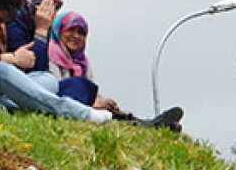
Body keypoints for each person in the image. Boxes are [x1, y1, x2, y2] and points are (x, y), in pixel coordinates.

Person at [48, 10, 185, 130]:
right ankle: (148, 125)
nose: (76, 36)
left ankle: (145, 123)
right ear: (59, 30)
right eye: (70, 30)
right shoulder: (50, 54)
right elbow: (55, 91)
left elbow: (93, 90)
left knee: (112, 111)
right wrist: (91, 103)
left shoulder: (82, 62)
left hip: (85, 106)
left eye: (81, 33)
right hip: (66, 106)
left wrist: (104, 102)